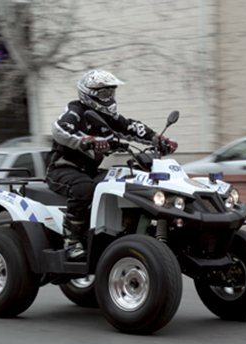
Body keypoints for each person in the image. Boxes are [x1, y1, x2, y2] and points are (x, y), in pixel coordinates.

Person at [46, 70, 177, 259]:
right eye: (104, 93)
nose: (109, 97)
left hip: (90, 170)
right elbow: (59, 130)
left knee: (124, 183)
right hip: (62, 169)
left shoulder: (107, 116)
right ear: (89, 93)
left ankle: (117, 233)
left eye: (111, 93)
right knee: (84, 188)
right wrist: (85, 141)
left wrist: (158, 139)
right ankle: (71, 241)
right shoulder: (75, 111)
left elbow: (131, 127)